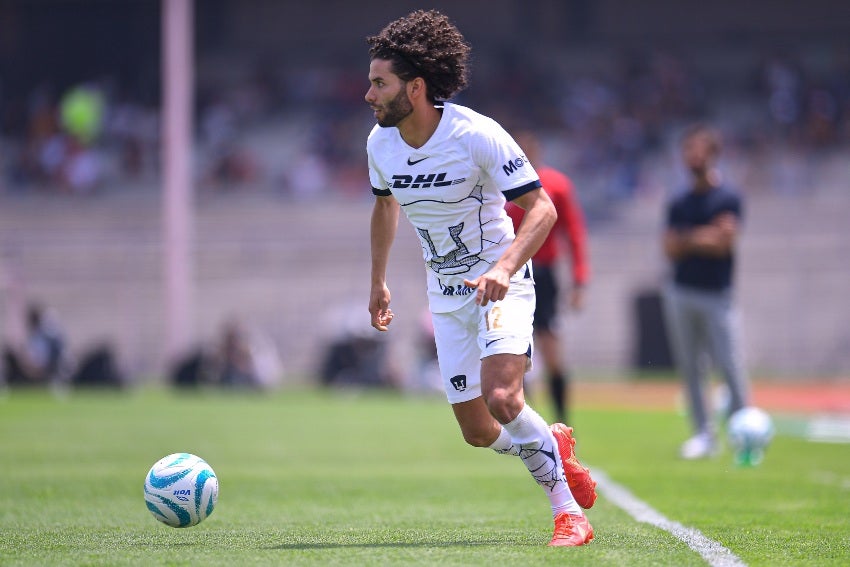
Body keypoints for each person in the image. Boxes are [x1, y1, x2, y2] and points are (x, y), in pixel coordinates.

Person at [365, 10, 596, 547]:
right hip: (446, 296)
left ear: (415, 88)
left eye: (380, 83)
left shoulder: (476, 134)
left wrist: (504, 267)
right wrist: (378, 280)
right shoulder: (380, 144)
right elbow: (384, 207)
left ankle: (568, 515)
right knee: (477, 432)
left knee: (503, 397)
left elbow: (542, 210)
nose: (368, 94)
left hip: (502, 284)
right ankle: (551, 444)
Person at [661, 123, 751, 460]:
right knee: (691, 367)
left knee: (729, 364)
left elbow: (724, 243)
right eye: (688, 150)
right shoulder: (678, 201)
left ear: (713, 153)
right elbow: (670, 248)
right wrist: (705, 235)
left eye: (699, 149)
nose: (692, 156)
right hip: (681, 292)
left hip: (717, 294)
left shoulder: (728, 197)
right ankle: (704, 434)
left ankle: (744, 432)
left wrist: (688, 238)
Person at [505, 131, 590, 425]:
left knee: (550, 347)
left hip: (542, 275)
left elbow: (574, 233)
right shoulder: (499, 186)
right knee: (511, 348)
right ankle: (525, 421)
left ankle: (562, 420)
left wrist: (579, 281)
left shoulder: (555, 185)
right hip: (508, 274)